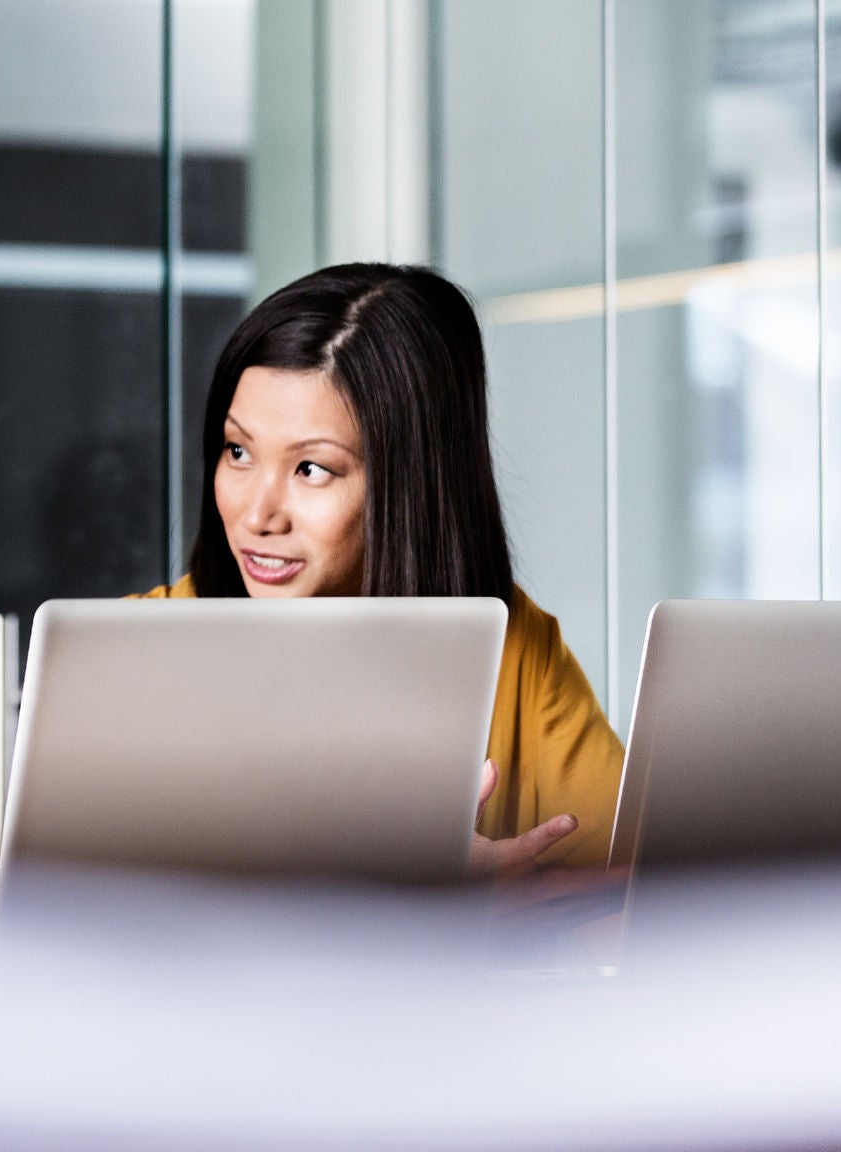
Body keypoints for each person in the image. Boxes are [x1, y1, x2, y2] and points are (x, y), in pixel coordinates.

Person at [141, 263, 622, 871]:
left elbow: (636, 898)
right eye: (238, 451)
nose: (257, 513)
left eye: (311, 468)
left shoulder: (516, 650)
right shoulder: (142, 649)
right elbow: (71, 926)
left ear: (410, 487)